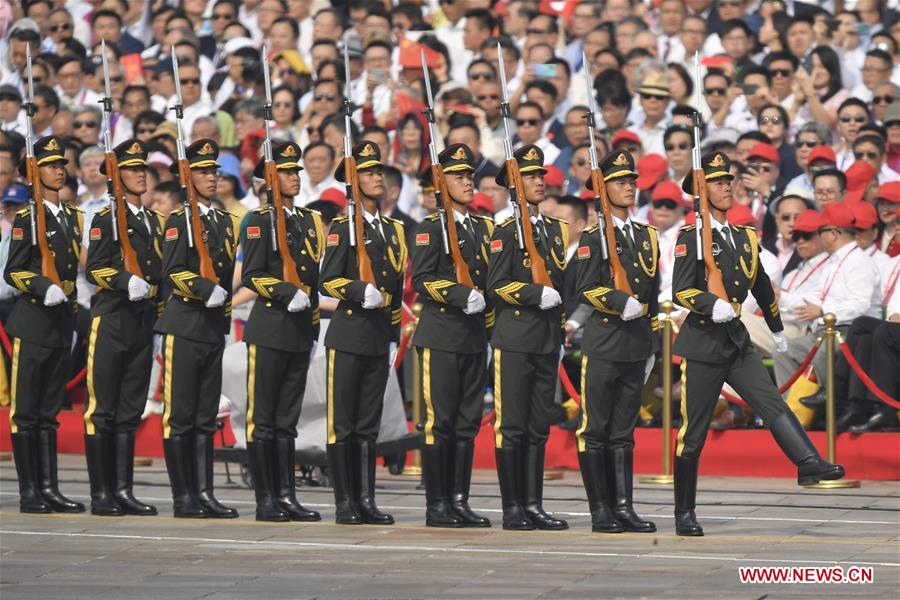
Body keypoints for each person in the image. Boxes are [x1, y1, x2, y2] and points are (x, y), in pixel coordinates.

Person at [671, 151, 845, 536]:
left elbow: (761, 284)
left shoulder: (743, 236)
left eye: (728, 180)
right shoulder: (690, 238)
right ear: (701, 192)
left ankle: (808, 460)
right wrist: (709, 304)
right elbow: (681, 291)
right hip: (703, 342)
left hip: (735, 338)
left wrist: (777, 327)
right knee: (694, 432)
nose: (728, 186)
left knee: (772, 402)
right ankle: (685, 511)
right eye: (718, 182)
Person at [319, 141, 406, 526]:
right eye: (369, 173)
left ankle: (366, 499)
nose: (377, 177)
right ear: (352, 184)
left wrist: (391, 335)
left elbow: (398, 286)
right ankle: (345, 501)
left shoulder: (394, 230)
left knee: (368, 424)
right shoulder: (342, 227)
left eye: (379, 172)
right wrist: (358, 290)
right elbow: (328, 279)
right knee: (345, 423)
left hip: (376, 336)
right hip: (349, 333)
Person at [574, 150, 659, 534]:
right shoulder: (593, 237)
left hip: (636, 344)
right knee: (596, 429)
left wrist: (652, 345)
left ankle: (624, 506)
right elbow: (585, 287)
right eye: (619, 182)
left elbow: (653, 294)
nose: (629, 187)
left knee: (624, 431)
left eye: (631, 181)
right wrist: (616, 300)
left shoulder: (647, 236)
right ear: (602, 189)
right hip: (604, 342)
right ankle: (600, 509)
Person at [410, 143, 494, 529]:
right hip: (442, 335)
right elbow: (423, 281)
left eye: (470, 176)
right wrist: (461, 295)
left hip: (474, 337)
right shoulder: (430, 228)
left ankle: (459, 500)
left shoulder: (483, 227)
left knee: (466, 423)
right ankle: (437, 502)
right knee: (438, 423)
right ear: (442, 183)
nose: (468, 182)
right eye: (459, 177)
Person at [242, 141, 324, 523]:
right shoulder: (259, 220)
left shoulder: (309, 221)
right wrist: (284, 291)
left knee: (287, 417)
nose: (295, 177)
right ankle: (266, 498)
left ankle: (287, 495)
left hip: (298, 328)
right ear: (270, 179)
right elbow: (254, 274)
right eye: (287, 172)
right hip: (270, 326)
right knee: (265, 417)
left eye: (296, 172)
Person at [487, 144, 568, 531]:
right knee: (513, 425)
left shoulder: (554, 229)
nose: (540, 181)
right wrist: (535, 294)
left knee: (538, 425)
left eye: (541, 175)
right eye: (531, 176)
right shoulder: (505, 231)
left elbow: (563, 282)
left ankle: (534, 504)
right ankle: (512, 506)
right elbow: (496, 284)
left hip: (547, 339)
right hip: (516, 339)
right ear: (513, 185)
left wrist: (562, 322)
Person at [156, 139, 238, 519]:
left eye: (214, 171)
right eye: (203, 172)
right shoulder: (178, 220)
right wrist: (206, 289)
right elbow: (173, 273)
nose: (212, 178)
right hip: (185, 324)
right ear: (187, 178)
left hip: (209, 327)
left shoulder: (223, 221)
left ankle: (204, 492)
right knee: (181, 414)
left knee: (205, 415)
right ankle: (183, 496)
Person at [5, 135, 85, 514]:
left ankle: (50, 487)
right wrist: (41, 286)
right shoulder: (26, 217)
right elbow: (13, 270)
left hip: (59, 322)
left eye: (61, 165)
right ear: (33, 175)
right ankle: (29, 491)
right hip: (33, 321)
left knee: (49, 410)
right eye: (51, 165)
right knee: (27, 411)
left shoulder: (69, 216)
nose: (59, 169)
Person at [83, 139, 162, 517]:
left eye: (142, 168)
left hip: (142, 321)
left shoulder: (152, 221)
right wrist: (121, 280)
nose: (139, 174)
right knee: (103, 408)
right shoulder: (105, 219)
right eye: (131, 169)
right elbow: (94, 268)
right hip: (112, 318)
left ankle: (124, 489)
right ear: (116, 178)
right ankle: (102, 493)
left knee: (130, 408)